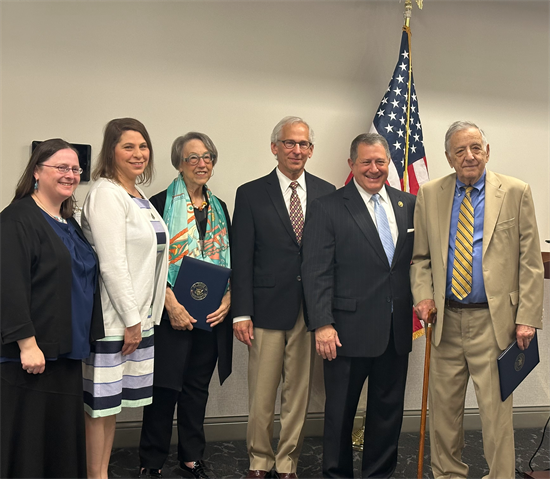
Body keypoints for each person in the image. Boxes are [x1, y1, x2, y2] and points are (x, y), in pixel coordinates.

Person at [410, 121, 544, 479]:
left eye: (475, 148)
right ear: (448, 157)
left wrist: (527, 316)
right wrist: (422, 296)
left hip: (494, 322)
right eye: (459, 151)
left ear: (487, 151)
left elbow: (530, 261)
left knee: (496, 414)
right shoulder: (429, 193)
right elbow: (420, 258)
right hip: (446, 322)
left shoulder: (515, 191)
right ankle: (448, 474)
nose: (469, 156)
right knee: (443, 414)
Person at [301, 133, 415, 479]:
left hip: (395, 330)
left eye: (380, 162)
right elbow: (315, 270)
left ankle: (378, 473)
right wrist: (322, 323)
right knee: (340, 414)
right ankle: (337, 475)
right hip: (345, 332)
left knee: (388, 412)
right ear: (352, 164)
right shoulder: (328, 206)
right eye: (366, 161)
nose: (374, 168)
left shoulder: (407, 204)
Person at [232, 116, 335, 479]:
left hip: (310, 311)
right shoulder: (250, 193)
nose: (297, 150)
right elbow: (241, 257)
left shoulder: (327, 192)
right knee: (262, 393)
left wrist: (328, 313)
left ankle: (287, 461)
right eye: (290, 143)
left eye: (304, 144)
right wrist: (240, 312)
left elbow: (329, 256)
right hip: (264, 310)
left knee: (299, 393)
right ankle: (259, 459)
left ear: (311, 150)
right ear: (275, 147)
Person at [0, 139, 104, 479]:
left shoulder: (67, 221)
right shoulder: (17, 219)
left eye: (75, 169)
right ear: (36, 173)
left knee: (59, 444)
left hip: (66, 353)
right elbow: (9, 285)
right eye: (61, 167)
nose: (71, 175)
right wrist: (27, 344)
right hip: (29, 358)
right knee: (30, 445)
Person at [138, 132, 232, 479]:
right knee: (163, 389)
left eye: (207, 156)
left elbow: (230, 262)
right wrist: (171, 304)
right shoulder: (159, 204)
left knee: (196, 389)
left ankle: (192, 457)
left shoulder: (221, 208)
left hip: (210, 316)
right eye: (193, 157)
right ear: (179, 163)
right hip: (169, 314)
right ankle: (151, 461)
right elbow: (147, 261)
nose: (201, 163)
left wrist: (228, 298)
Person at [82, 118, 169, 479]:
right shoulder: (106, 193)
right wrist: (132, 320)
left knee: (111, 406)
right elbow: (112, 265)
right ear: (111, 151)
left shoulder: (137, 194)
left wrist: (144, 318)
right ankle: (96, 475)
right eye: (128, 147)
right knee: (99, 408)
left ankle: (100, 472)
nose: (138, 154)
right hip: (114, 319)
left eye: (143, 146)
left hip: (138, 318)